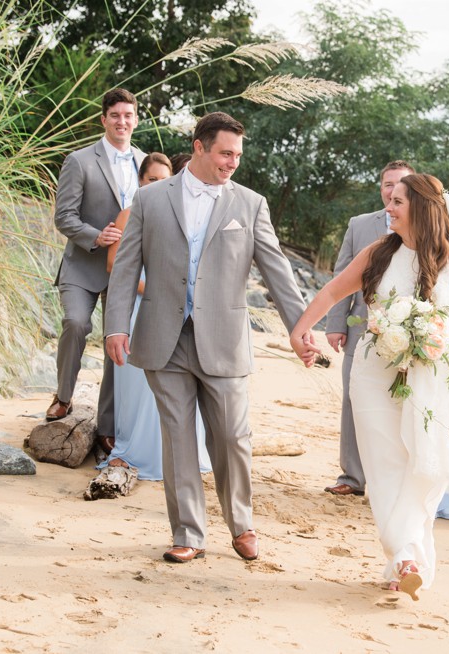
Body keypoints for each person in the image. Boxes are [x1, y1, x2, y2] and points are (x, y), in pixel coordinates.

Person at [105, 112, 310, 564]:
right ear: (199, 147)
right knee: (177, 436)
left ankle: (241, 523)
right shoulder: (150, 199)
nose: (232, 162)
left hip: (225, 338)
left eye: (237, 155)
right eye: (224, 153)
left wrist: (300, 328)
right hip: (164, 336)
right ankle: (188, 534)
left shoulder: (251, 204)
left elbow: (277, 272)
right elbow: (126, 268)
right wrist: (116, 325)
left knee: (233, 435)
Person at [290, 174, 449, 600]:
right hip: (373, 374)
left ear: (423, 209)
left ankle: (405, 557)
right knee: (386, 467)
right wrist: (301, 328)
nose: (389, 206)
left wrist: (427, 336)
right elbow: (334, 289)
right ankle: (406, 558)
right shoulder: (379, 253)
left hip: (433, 377)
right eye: (389, 199)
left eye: (398, 201)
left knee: (424, 467)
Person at [100, 153, 211, 480]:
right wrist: (159, 288)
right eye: (152, 179)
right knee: (139, 387)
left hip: (173, 311)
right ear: (141, 181)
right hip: (140, 308)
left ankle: (178, 451)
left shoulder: (181, 216)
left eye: (166, 179)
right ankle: (137, 451)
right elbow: (115, 266)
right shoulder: (129, 214)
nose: (159, 185)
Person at [48, 88, 145, 457]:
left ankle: (107, 425)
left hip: (124, 271)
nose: (122, 121)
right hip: (83, 265)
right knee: (75, 323)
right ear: (103, 119)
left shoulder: (143, 161)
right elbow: (63, 216)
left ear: (136, 120)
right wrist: (95, 235)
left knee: (115, 344)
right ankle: (63, 396)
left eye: (128, 115)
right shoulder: (79, 160)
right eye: (115, 115)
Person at [323, 160, 416, 497]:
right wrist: (336, 324)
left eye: (400, 185)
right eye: (387, 184)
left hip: (411, 333)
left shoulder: (424, 227)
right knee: (354, 400)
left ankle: (393, 478)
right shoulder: (360, 225)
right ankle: (351, 476)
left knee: (402, 403)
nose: (392, 191)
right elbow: (340, 277)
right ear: (380, 188)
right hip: (361, 328)